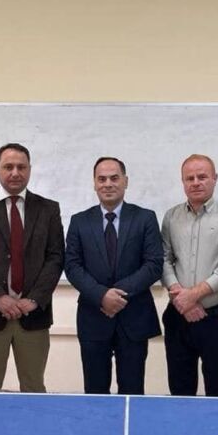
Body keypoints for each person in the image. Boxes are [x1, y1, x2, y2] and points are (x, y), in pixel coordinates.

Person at [0, 143, 64, 392]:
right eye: (8, 167)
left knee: (34, 388)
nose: (15, 172)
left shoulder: (48, 209)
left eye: (21, 167)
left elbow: (55, 258)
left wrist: (35, 299)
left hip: (33, 316)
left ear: (29, 169)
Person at [64, 157, 163, 395]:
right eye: (102, 179)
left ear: (125, 181)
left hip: (134, 318)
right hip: (93, 317)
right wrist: (102, 296)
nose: (108, 184)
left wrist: (117, 296)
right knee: (95, 392)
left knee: (132, 391)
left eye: (114, 178)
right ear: (94, 184)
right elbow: (72, 266)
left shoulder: (145, 218)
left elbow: (153, 264)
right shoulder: (79, 221)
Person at [161, 155, 218, 397]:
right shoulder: (171, 217)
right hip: (178, 317)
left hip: (217, 319)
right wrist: (182, 299)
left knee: (217, 391)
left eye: (202, 176)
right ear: (183, 182)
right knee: (180, 392)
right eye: (189, 178)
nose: (196, 182)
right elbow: (164, 259)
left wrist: (194, 295)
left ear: (215, 178)